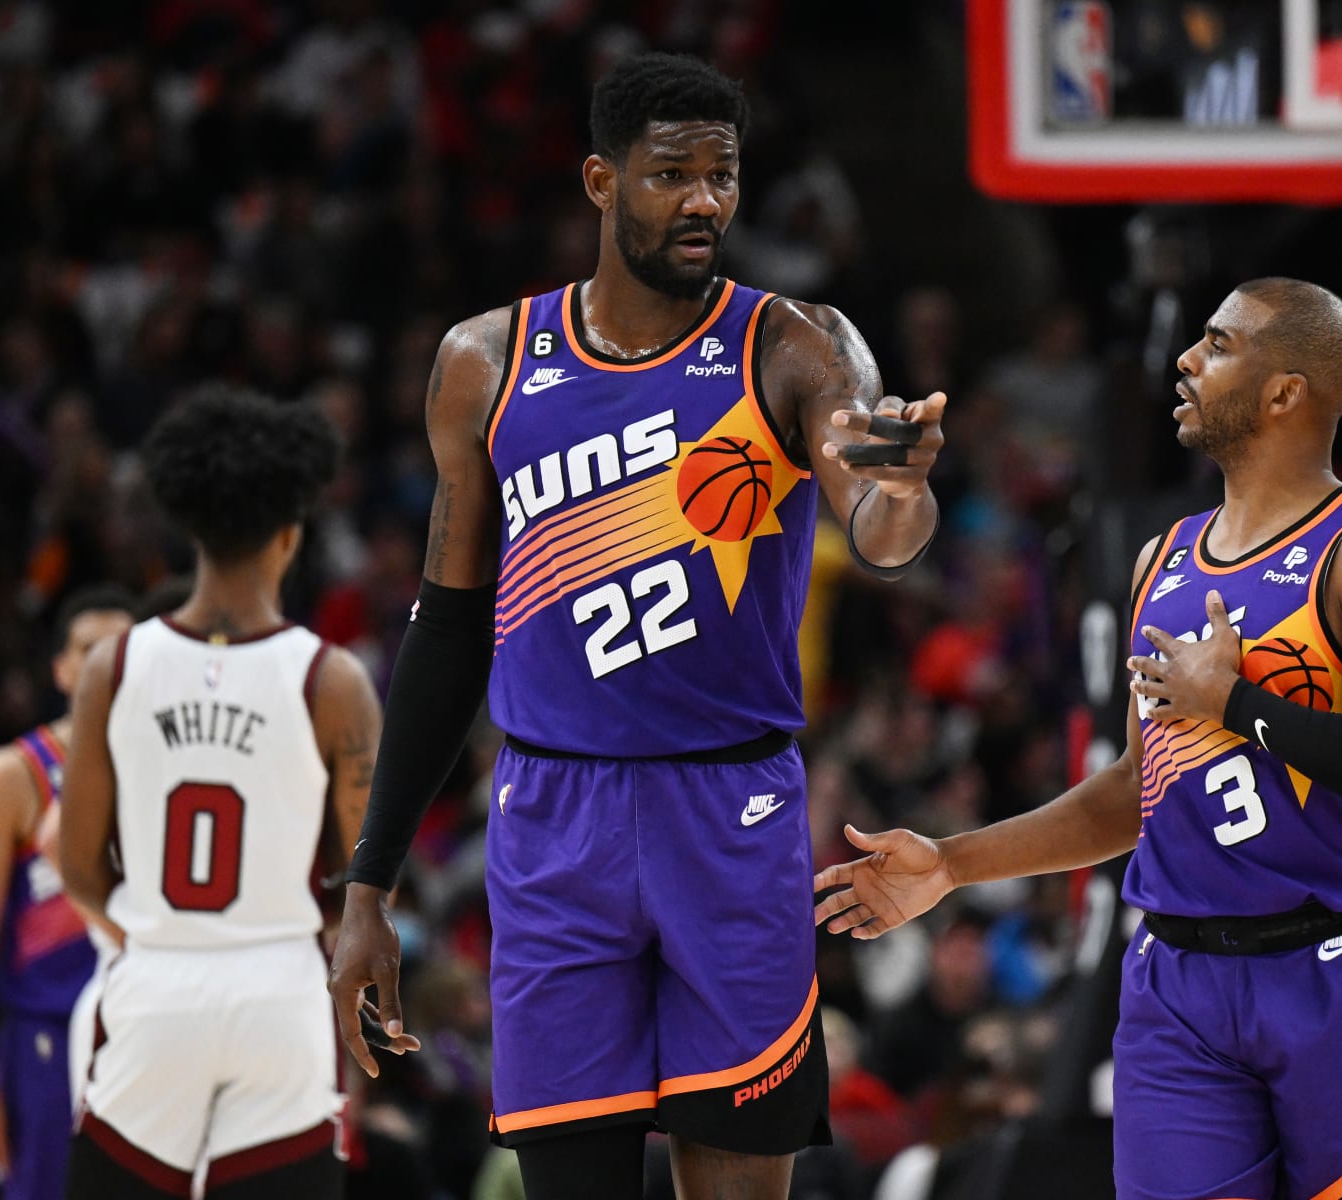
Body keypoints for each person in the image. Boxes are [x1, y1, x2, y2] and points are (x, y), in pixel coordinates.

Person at [326, 52, 943, 1200]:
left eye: (724, 174)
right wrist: (372, 885)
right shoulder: (487, 362)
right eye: (673, 175)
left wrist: (899, 490)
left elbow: (881, 525)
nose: (706, 200)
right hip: (556, 818)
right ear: (602, 183)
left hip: (731, 814)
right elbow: (450, 629)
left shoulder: (796, 347)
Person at [816, 278, 1342, 1199]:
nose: (1188, 359)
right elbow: (1133, 793)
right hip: (1177, 985)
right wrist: (953, 863)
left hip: (1334, 973)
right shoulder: (1163, 557)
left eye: (1220, 343)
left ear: (1286, 392)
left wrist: (1237, 705)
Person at [58, 387, 386, 1198]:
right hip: (278, 987)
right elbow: (367, 879)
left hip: (157, 979)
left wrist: (159, 923)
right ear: (290, 532)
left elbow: (77, 868)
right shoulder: (332, 679)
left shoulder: (114, 668)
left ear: (189, 528)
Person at [0, 586, 137, 1199]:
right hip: (45, 1038)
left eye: (123, 648)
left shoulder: (172, 762)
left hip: (144, 1026)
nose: (108, 661)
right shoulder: (15, 773)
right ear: (61, 668)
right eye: (90, 648)